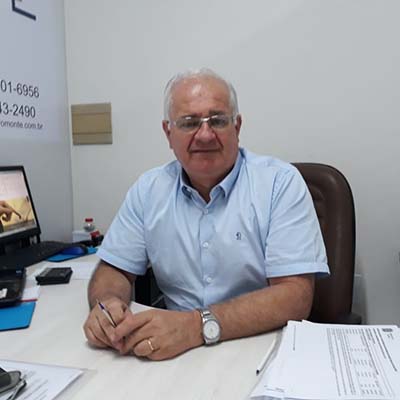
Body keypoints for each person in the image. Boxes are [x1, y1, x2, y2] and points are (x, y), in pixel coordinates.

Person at [84, 68, 329, 361]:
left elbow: (295, 296)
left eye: (218, 120)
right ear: (168, 133)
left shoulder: (279, 183)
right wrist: (107, 305)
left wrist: (196, 326)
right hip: (175, 353)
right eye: (189, 123)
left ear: (237, 127)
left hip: (263, 350)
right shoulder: (149, 190)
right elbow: (114, 269)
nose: (204, 135)